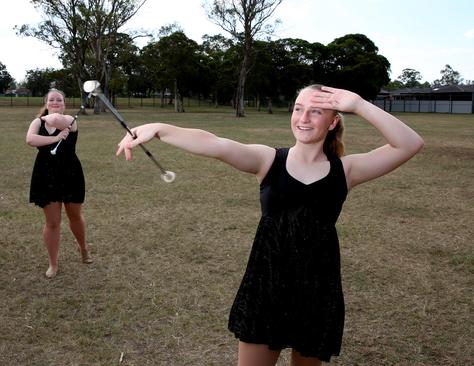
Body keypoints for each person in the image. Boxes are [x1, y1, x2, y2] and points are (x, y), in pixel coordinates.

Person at [116, 85, 424, 365]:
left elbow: (409, 144)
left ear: (333, 122)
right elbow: (216, 143)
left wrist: (358, 104)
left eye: (316, 111)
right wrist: (160, 128)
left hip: (316, 289)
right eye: (298, 108)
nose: (303, 118)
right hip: (267, 285)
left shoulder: (347, 170)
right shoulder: (269, 160)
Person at [26, 88, 93, 279]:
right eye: (51, 100)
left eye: (59, 100)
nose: (55, 103)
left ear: (64, 104)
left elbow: (56, 121)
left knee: (75, 216)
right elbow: (30, 139)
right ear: (46, 103)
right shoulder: (37, 122)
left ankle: (83, 248)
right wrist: (55, 138)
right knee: (53, 222)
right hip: (46, 174)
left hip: (70, 172)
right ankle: (53, 263)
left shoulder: (71, 121)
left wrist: (51, 120)